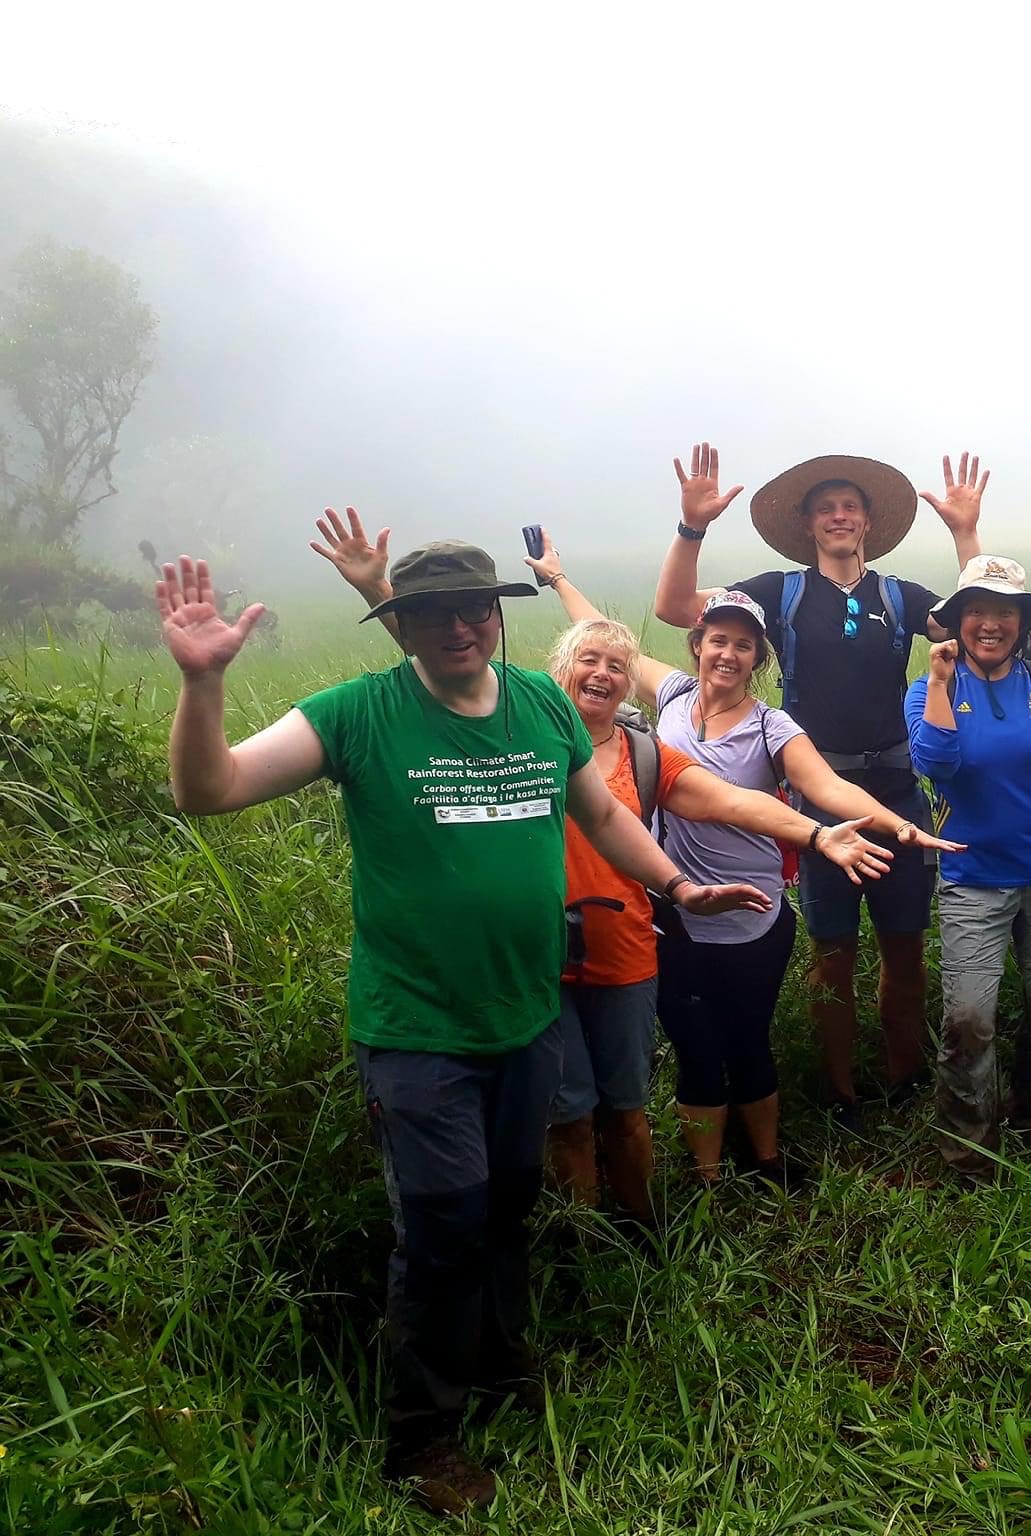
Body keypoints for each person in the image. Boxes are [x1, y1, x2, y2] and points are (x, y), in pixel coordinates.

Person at [158, 542, 777, 1518]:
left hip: (526, 1016)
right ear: (399, 624)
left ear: (495, 614)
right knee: (442, 1223)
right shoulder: (356, 714)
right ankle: (421, 1435)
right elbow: (209, 790)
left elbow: (605, 819)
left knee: (507, 1204)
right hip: (416, 1030)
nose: (458, 626)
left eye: (473, 608)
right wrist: (203, 685)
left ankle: (494, 1357)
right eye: (433, 612)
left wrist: (676, 883)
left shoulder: (539, 706)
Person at [312, 513, 894, 1223]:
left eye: (618, 668)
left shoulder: (649, 752)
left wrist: (818, 831)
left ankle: (642, 1226)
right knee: (568, 1109)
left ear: (630, 686)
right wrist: (529, 582)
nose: (603, 673)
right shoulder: (515, 731)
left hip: (631, 947)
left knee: (629, 1099)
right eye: (587, 662)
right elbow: (449, 671)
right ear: (557, 677)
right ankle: (583, 1230)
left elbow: (732, 801)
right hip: (540, 960)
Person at [518, 531, 961, 1186]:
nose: (728, 653)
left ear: (758, 658)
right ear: (697, 646)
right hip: (672, 907)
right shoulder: (666, 698)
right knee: (698, 1045)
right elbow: (599, 643)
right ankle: (705, 1174)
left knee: (749, 1038)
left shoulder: (772, 726)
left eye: (744, 645)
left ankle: (764, 1158)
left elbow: (827, 788)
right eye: (717, 640)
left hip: (754, 911)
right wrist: (557, 579)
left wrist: (900, 823)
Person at [653, 444, 988, 1129]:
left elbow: (983, 621)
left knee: (904, 946)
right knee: (831, 952)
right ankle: (840, 1091)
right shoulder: (780, 593)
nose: (839, 517)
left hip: (895, 788)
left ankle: (903, 1075)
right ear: (808, 525)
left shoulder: (900, 597)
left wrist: (963, 533)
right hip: (815, 794)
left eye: (850, 507)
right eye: (826, 508)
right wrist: (693, 528)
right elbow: (673, 607)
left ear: (868, 522)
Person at [905, 556, 1031, 1181]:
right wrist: (940, 684)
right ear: (958, 621)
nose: (990, 624)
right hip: (972, 881)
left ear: (1021, 623)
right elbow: (935, 766)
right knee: (968, 1021)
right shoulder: (928, 690)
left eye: (1004, 612)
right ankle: (969, 1153)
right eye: (977, 611)